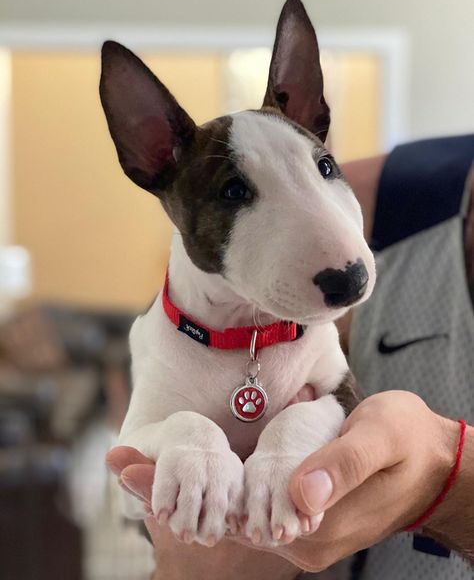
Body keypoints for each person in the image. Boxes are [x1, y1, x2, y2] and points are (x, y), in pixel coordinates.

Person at [107, 134, 474, 580]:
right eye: (238, 192)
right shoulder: (388, 199)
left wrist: (447, 480)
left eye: (323, 170)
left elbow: (338, 400)